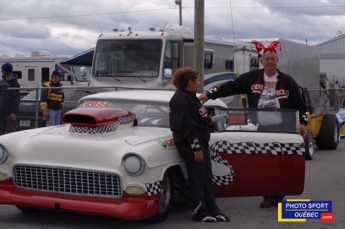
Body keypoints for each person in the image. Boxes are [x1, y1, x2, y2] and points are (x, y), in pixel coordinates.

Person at [199, 40, 308, 208]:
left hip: (284, 129)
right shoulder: (252, 78)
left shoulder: (287, 81)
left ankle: (279, 195)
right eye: (267, 59)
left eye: (273, 58)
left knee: (281, 163)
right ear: (261, 61)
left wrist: (302, 123)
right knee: (265, 162)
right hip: (262, 129)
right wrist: (209, 95)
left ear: (277, 60)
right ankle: (267, 195)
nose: (270, 62)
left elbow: (300, 105)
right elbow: (230, 87)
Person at [169, 67, 230, 222]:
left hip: (202, 143)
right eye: (197, 80)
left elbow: (199, 118)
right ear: (190, 82)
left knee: (206, 177)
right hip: (192, 146)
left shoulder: (192, 97)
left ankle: (212, 209)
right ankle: (198, 212)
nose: (199, 83)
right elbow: (187, 126)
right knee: (197, 178)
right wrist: (196, 148)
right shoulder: (182, 100)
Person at [0, 63, 20, 135]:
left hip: (10, 111)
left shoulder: (15, 84)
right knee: (1, 131)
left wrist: (14, 112)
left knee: (11, 132)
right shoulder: (2, 82)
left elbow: (16, 98)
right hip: (2, 110)